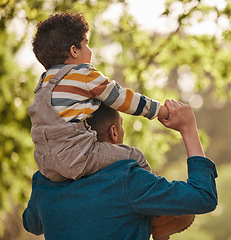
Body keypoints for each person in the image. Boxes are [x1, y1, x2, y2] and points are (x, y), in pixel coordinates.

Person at [23, 99, 218, 240]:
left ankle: (153, 216)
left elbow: (31, 224)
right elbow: (203, 196)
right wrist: (188, 128)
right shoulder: (128, 179)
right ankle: (155, 216)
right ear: (113, 132)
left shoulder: (45, 183)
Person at [28, 11, 169, 182]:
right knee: (135, 157)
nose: (90, 50)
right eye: (86, 44)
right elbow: (120, 98)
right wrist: (160, 111)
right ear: (74, 50)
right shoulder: (82, 73)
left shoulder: (43, 83)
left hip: (46, 165)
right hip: (77, 157)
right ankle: (149, 200)